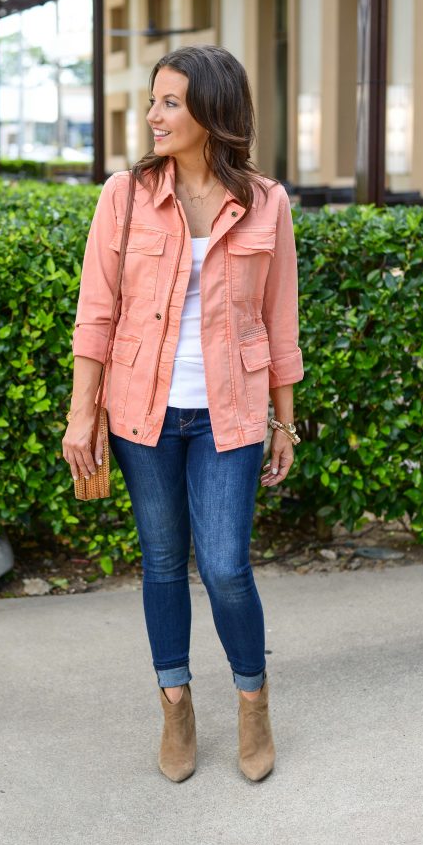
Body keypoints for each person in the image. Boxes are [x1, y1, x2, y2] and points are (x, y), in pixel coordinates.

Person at [62, 45, 303, 784]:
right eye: (153, 101)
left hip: (228, 412)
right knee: (163, 563)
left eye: (170, 102)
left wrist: (283, 419)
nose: (153, 116)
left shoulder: (266, 201)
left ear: (211, 112)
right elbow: (95, 314)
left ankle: (252, 701)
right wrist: (82, 416)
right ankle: (174, 704)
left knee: (226, 566)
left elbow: (279, 318)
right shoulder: (124, 196)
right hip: (143, 414)